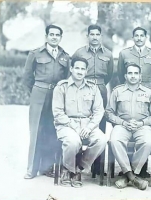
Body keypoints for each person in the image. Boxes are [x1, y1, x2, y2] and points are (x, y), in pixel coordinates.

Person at [23, 24, 70, 179]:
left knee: (53, 131)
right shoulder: (35, 53)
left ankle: (47, 168)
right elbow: (27, 78)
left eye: (57, 35)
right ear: (46, 36)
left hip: (57, 96)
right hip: (39, 94)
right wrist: (37, 92)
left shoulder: (65, 56)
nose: (54, 37)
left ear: (61, 38)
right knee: (36, 131)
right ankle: (32, 169)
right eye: (51, 34)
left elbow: (67, 77)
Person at [52, 57, 107, 187]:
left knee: (101, 140)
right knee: (73, 141)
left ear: (86, 71)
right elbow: (58, 112)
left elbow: (99, 111)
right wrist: (75, 127)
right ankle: (68, 169)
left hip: (87, 125)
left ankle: (78, 168)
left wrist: (89, 127)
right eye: (77, 68)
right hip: (66, 125)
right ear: (71, 69)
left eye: (83, 69)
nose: (80, 71)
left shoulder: (93, 88)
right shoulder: (61, 87)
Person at [105, 63, 151, 190]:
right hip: (122, 125)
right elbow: (108, 113)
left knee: (147, 142)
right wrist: (123, 122)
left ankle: (129, 175)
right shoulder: (117, 91)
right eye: (130, 73)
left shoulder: (148, 92)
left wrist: (142, 123)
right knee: (114, 140)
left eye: (136, 73)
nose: (133, 76)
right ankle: (132, 177)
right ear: (125, 76)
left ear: (140, 76)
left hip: (142, 126)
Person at [72, 24, 113, 175]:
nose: (94, 37)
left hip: (101, 89)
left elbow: (109, 74)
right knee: (80, 120)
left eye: (97, 34)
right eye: (92, 34)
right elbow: (75, 70)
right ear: (88, 36)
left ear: (101, 36)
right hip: (83, 87)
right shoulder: (80, 52)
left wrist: (99, 86)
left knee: (99, 124)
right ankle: (76, 163)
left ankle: (97, 167)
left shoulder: (108, 54)